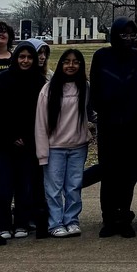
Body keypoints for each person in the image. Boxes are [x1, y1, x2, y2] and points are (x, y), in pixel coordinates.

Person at [90, 16, 137, 237]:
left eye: (131, 34)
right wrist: (102, 113)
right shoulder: (102, 56)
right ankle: (109, 218)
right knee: (109, 173)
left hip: (135, 125)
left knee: (128, 174)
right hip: (109, 124)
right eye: (122, 34)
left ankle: (124, 216)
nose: (127, 38)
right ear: (114, 35)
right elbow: (95, 89)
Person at [35, 49, 92, 238]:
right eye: (66, 61)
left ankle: (72, 220)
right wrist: (42, 152)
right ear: (60, 64)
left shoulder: (85, 87)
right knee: (53, 189)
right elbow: (41, 123)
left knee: (73, 187)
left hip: (78, 146)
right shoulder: (48, 89)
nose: (71, 65)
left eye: (76, 62)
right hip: (54, 148)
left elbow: (90, 113)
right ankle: (55, 223)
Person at [0, 41, 48, 239]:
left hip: (31, 141)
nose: (25, 61)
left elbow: (41, 114)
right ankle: (4, 224)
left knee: (26, 184)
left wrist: (27, 138)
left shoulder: (39, 81)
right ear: (15, 58)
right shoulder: (3, 79)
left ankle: (22, 222)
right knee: (5, 185)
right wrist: (11, 137)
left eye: (29, 57)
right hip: (6, 141)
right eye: (21, 57)